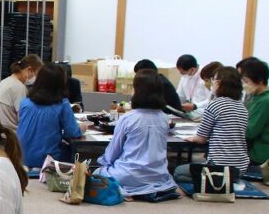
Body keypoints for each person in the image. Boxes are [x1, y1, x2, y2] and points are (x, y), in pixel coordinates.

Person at [95, 70, 178, 199]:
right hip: (159, 175)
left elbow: (113, 153)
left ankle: (129, 191)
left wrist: (104, 161)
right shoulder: (164, 119)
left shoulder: (128, 118)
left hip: (128, 175)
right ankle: (144, 191)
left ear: (137, 90)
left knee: (98, 172)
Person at [174, 67, 250, 182]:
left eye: (213, 80)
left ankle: (215, 181)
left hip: (220, 166)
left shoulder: (215, 105)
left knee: (178, 172)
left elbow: (201, 139)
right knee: (197, 165)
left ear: (218, 83)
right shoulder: (242, 107)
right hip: (241, 167)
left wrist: (190, 137)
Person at [16, 62, 82, 168]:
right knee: (76, 154)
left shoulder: (25, 103)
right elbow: (73, 132)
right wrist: (81, 129)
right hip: (46, 159)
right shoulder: (62, 104)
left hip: (21, 156)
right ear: (61, 83)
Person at [238, 57, 269, 164]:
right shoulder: (255, 94)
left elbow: (250, 132)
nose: (244, 85)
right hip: (252, 146)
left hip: (260, 153)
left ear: (260, 81)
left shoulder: (265, 100)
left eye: (246, 81)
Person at [0, 54, 43, 129]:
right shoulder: (19, 88)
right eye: (36, 74)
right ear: (30, 70)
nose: (35, 78)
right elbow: (23, 119)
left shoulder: (5, 81)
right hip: (12, 134)